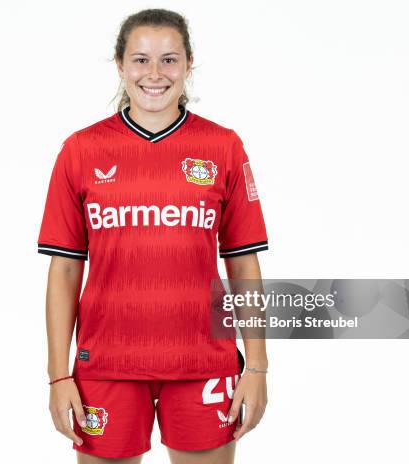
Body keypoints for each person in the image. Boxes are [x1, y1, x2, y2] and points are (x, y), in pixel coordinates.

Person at [38, 8, 269, 464]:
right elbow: (64, 269)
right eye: (141, 60)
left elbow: (243, 263)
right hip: (106, 364)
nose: (155, 74)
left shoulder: (223, 147)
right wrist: (57, 376)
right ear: (120, 65)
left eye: (169, 59)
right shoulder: (81, 151)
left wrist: (258, 366)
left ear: (189, 64)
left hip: (204, 361)